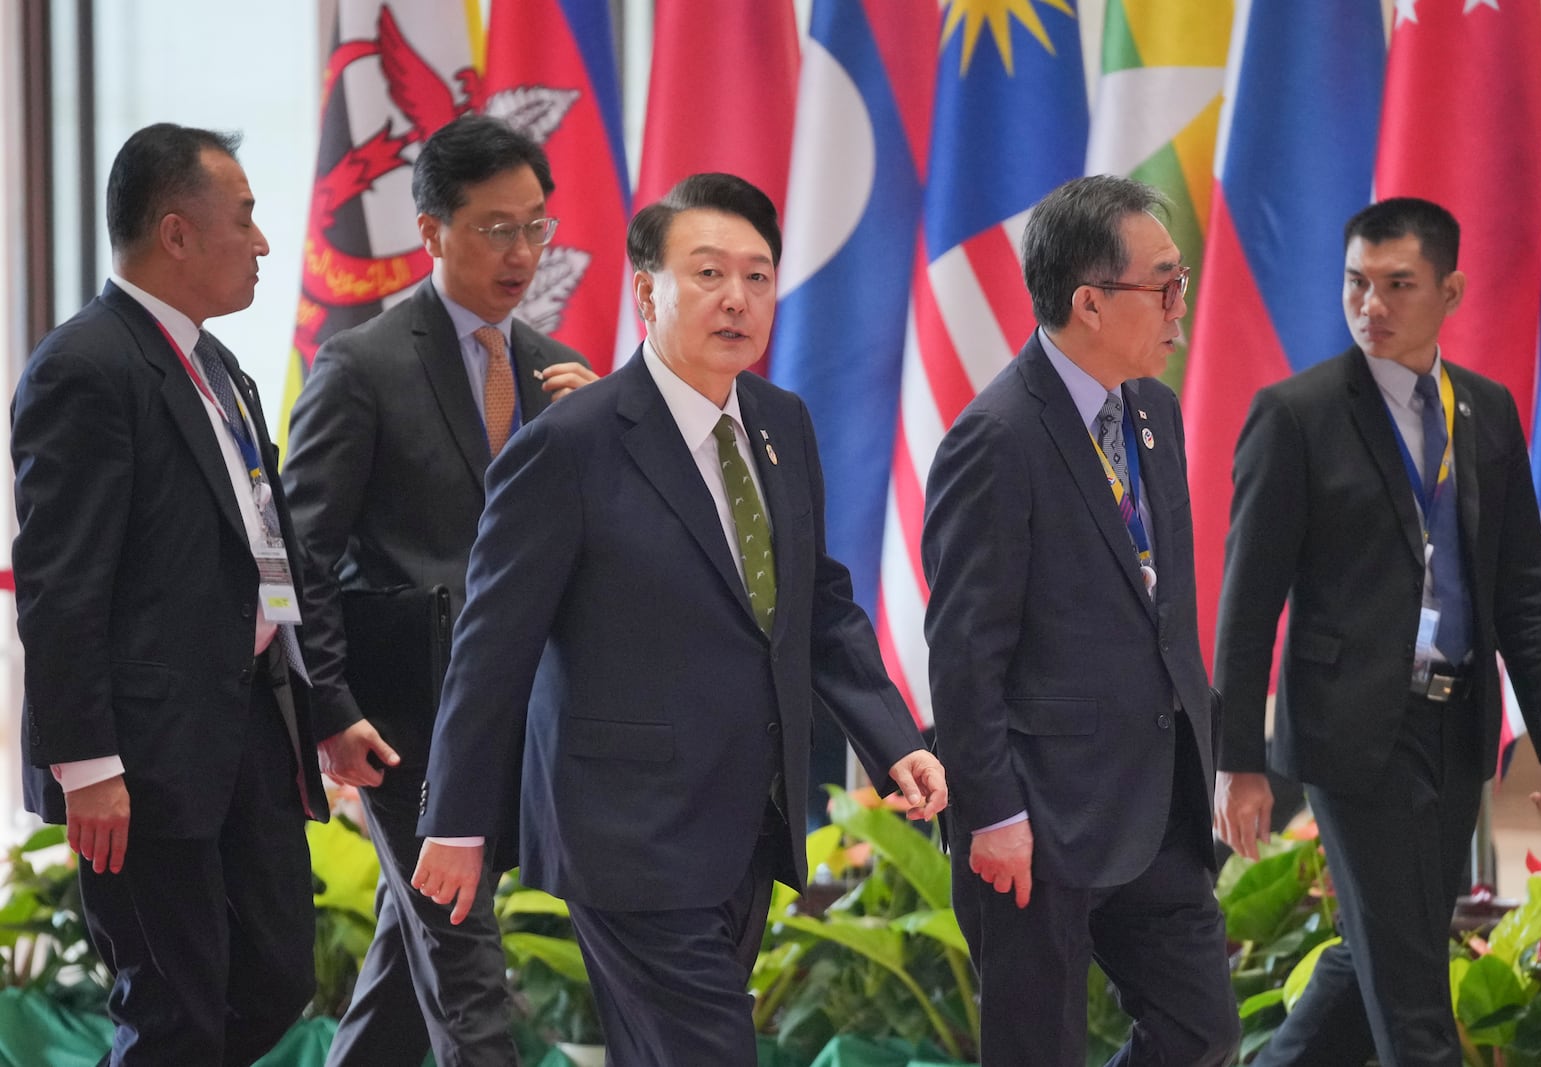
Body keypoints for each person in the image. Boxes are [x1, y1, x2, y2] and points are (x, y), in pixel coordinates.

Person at [409, 172, 947, 1065]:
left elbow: (817, 605)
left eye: (758, 276)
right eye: (708, 273)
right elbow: (491, 645)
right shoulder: (570, 443)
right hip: (625, 832)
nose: (736, 298)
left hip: (747, 818)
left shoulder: (782, 422)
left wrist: (896, 738)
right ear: (646, 289)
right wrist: (457, 819)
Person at [1213, 196, 1541, 1066]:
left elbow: (1523, 585)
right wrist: (1238, 759)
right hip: (1352, 733)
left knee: (1387, 951)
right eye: (1356, 282)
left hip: (1453, 727)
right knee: (1414, 1002)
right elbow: (1247, 601)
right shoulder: (1297, 415)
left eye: (1397, 284)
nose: (1370, 305)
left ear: (1449, 291)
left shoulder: (1487, 412)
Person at [282, 113, 595, 1067]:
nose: (522, 251)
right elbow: (300, 560)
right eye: (496, 228)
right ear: (431, 231)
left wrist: (606, 448)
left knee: (411, 949)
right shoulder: (362, 364)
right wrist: (329, 707)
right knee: (466, 968)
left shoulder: (555, 370)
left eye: (536, 226)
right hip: (404, 716)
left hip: (523, 707)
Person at [11, 123, 325, 1065]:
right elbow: (61, 588)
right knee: (173, 1012)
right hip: (142, 761)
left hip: (246, 741)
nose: (265, 242)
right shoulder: (86, 366)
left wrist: (327, 705)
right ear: (178, 234)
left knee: (275, 979)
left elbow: (266, 549)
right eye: (246, 218)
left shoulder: (217, 366)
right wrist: (88, 765)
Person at [922, 174, 1239, 1066]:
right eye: (1164, 284)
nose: (1183, 304)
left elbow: (1161, 608)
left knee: (1202, 1030)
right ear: (1090, 303)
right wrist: (990, 813)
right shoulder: (997, 437)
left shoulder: (1153, 412)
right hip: (1038, 820)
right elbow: (963, 653)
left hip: (1157, 807)